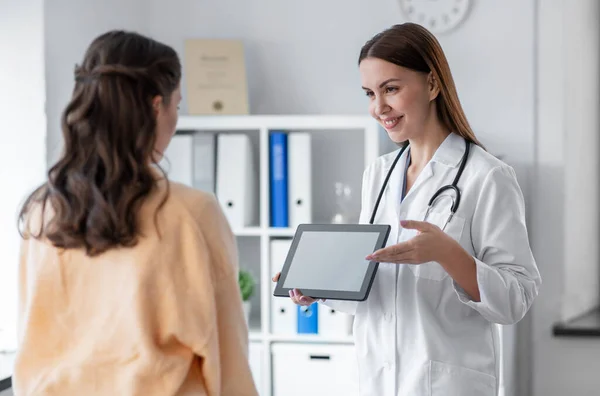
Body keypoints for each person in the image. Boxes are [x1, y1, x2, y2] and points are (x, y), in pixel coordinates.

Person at [273, 23, 541, 396]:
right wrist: (320, 287)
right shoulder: (379, 174)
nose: (378, 108)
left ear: (432, 85)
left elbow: (517, 299)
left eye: (391, 89)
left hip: (446, 385)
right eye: (369, 93)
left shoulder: (488, 177)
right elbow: (382, 292)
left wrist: (448, 254)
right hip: (377, 380)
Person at [14, 30, 258, 396]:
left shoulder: (43, 211)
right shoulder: (192, 212)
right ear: (156, 107)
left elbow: (31, 336)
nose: (176, 118)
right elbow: (228, 362)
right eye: (178, 104)